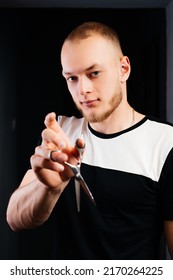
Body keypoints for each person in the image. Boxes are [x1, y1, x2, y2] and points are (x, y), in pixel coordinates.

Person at [6, 21, 173, 260]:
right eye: (71, 78)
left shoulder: (165, 143)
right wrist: (49, 188)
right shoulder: (62, 133)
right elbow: (15, 219)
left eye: (94, 73)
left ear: (123, 69)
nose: (82, 89)